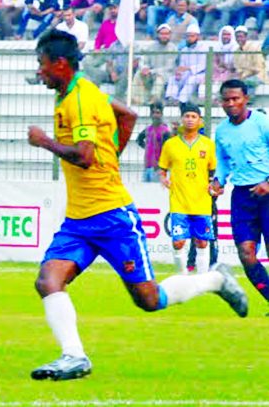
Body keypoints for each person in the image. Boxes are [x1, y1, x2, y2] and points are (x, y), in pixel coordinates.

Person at [26, 30, 247, 381]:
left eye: (42, 64)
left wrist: (45, 142)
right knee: (48, 280)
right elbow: (126, 115)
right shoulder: (77, 92)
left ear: (60, 63)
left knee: (148, 299)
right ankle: (74, 356)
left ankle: (215, 280)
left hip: (112, 217)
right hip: (79, 220)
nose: (39, 71)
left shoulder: (80, 99)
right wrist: (110, 154)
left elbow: (83, 157)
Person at [211, 79, 269, 313]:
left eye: (236, 98)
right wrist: (218, 181)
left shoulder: (262, 122)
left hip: (267, 192)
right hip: (243, 197)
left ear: (246, 99)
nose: (231, 103)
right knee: (246, 254)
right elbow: (223, 161)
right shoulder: (222, 131)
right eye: (227, 99)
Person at [158, 103, 215, 275]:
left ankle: (203, 278)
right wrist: (163, 178)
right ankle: (182, 277)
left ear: (199, 121)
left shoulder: (208, 144)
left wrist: (213, 184)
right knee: (178, 242)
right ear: (181, 119)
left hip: (201, 201)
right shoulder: (170, 144)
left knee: (202, 242)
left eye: (193, 116)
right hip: (179, 201)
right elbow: (163, 167)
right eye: (187, 116)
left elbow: (213, 169)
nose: (190, 120)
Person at [138, 101, 171, 183]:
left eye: (158, 113)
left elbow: (167, 150)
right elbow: (139, 139)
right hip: (147, 167)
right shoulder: (148, 129)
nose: (155, 115)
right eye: (153, 112)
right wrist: (147, 147)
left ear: (162, 114)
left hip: (158, 169)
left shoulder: (165, 131)